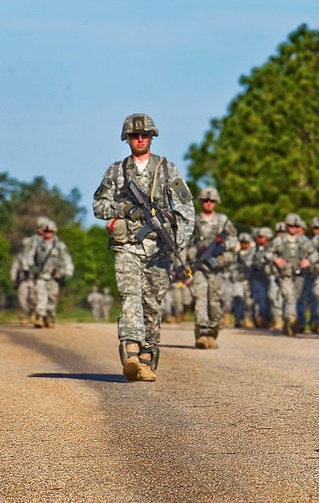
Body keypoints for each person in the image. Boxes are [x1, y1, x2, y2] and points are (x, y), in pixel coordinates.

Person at [93, 113, 195, 381]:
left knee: (152, 303)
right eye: (135, 135)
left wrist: (175, 242)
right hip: (127, 246)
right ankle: (131, 350)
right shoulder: (116, 171)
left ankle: (148, 355)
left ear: (152, 137)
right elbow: (98, 205)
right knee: (130, 296)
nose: (140, 139)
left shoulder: (166, 170)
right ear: (127, 139)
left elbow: (186, 211)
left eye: (144, 135)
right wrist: (124, 208)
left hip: (159, 250)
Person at [187, 187, 238, 349]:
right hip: (200, 268)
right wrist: (189, 257)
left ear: (216, 203)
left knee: (215, 302)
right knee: (201, 299)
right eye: (206, 201)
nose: (209, 204)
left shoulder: (223, 221)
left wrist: (222, 245)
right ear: (201, 202)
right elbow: (186, 243)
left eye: (212, 201)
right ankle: (202, 333)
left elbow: (233, 241)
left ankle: (212, 331)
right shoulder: (194, 221)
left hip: (217, 268)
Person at [268, 213, 318, 336]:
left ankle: (287, 320)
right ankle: (291, 320)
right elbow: (267, 253)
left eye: (295, 226)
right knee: (288, 296)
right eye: (290, 226)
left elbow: (315, 254)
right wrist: (275, 258)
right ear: (286, 226)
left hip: (299, 274)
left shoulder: (304, 241)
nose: (292, 228)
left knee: (295, 298)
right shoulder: (279, 240)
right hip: (285, 275)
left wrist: (309, 261)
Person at [23, 219, 73, 328]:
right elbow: (28, 256)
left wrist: (68, 273)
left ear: (54, 232)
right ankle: (40, 317)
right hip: (40, 275)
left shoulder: (59, 245)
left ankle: (50, 317)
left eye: (50, 231)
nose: (47, 233)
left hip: (54, 277)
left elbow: (67, 259)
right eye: (46, 231)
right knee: (41, 297)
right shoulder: (37, 243)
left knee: (52, 298)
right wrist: (31, 267)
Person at [231, 232, 256, 328]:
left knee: (249, 302)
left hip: (248, 280)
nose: (244, 245)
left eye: (246, 242)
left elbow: (249, 264)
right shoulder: (235, 254)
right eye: (242, 242)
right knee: (238, 300)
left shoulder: (252, 253)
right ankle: (238, 319)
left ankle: (248, 319)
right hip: (238, 280)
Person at [251, 227, 274, 327]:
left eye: (261, 237)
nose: (258, 239)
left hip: (272, 278)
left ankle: (273, 320)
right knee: (260, 300)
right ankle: (261, 320)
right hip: (258, 278)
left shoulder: (273, 248)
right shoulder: (255, 249)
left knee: (273, 299)